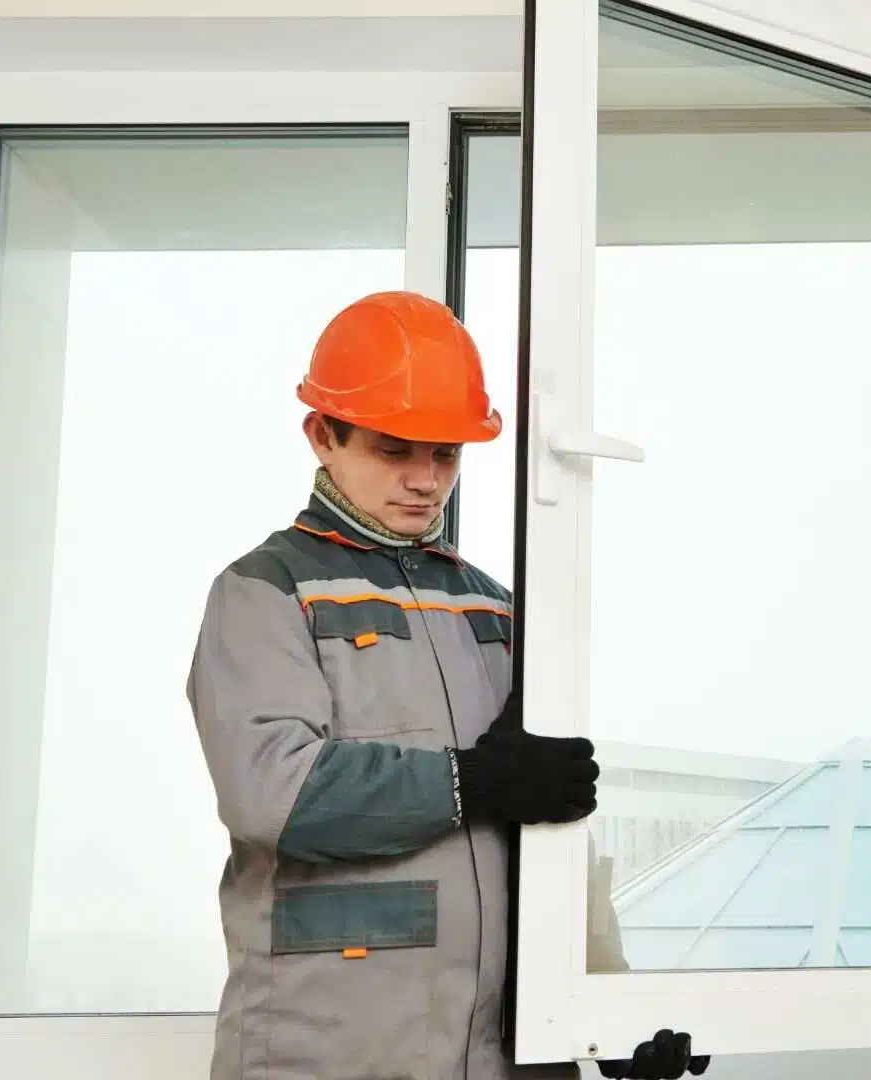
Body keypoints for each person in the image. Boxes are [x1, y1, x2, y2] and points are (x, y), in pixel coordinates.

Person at [188, 290, 709, 1080]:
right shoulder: (265, 592)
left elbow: (558, 827)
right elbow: (274, 790)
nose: (426, 480)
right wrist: (473, 781)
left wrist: (604, 1020)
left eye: (446, 454)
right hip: (320, 1056)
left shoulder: (494, 609)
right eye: (396, 450)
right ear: (323, 434)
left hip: (492, 1063)